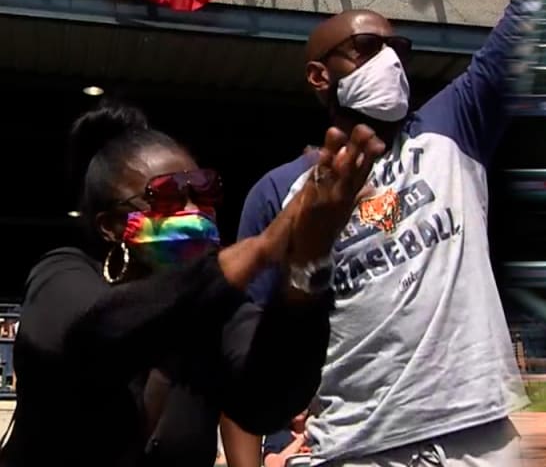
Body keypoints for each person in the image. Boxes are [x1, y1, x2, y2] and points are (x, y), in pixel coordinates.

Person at [225, 0, 533, 463]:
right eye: (366, 48)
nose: (390, 61)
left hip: (480, 433)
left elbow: (518, 38)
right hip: (354, 445)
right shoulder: (279, 193)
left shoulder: (453, 128)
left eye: (398, 49)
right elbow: (247, 350)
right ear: (318, 76)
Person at [0, 100, 384, 466]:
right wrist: (264, 246)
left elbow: (271, 398)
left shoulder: (217, 315)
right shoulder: (60, 277)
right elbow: (100, 331)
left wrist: (307, 259)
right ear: (110, 226)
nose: (193, 209)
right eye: (166, 196)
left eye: (202, 190)